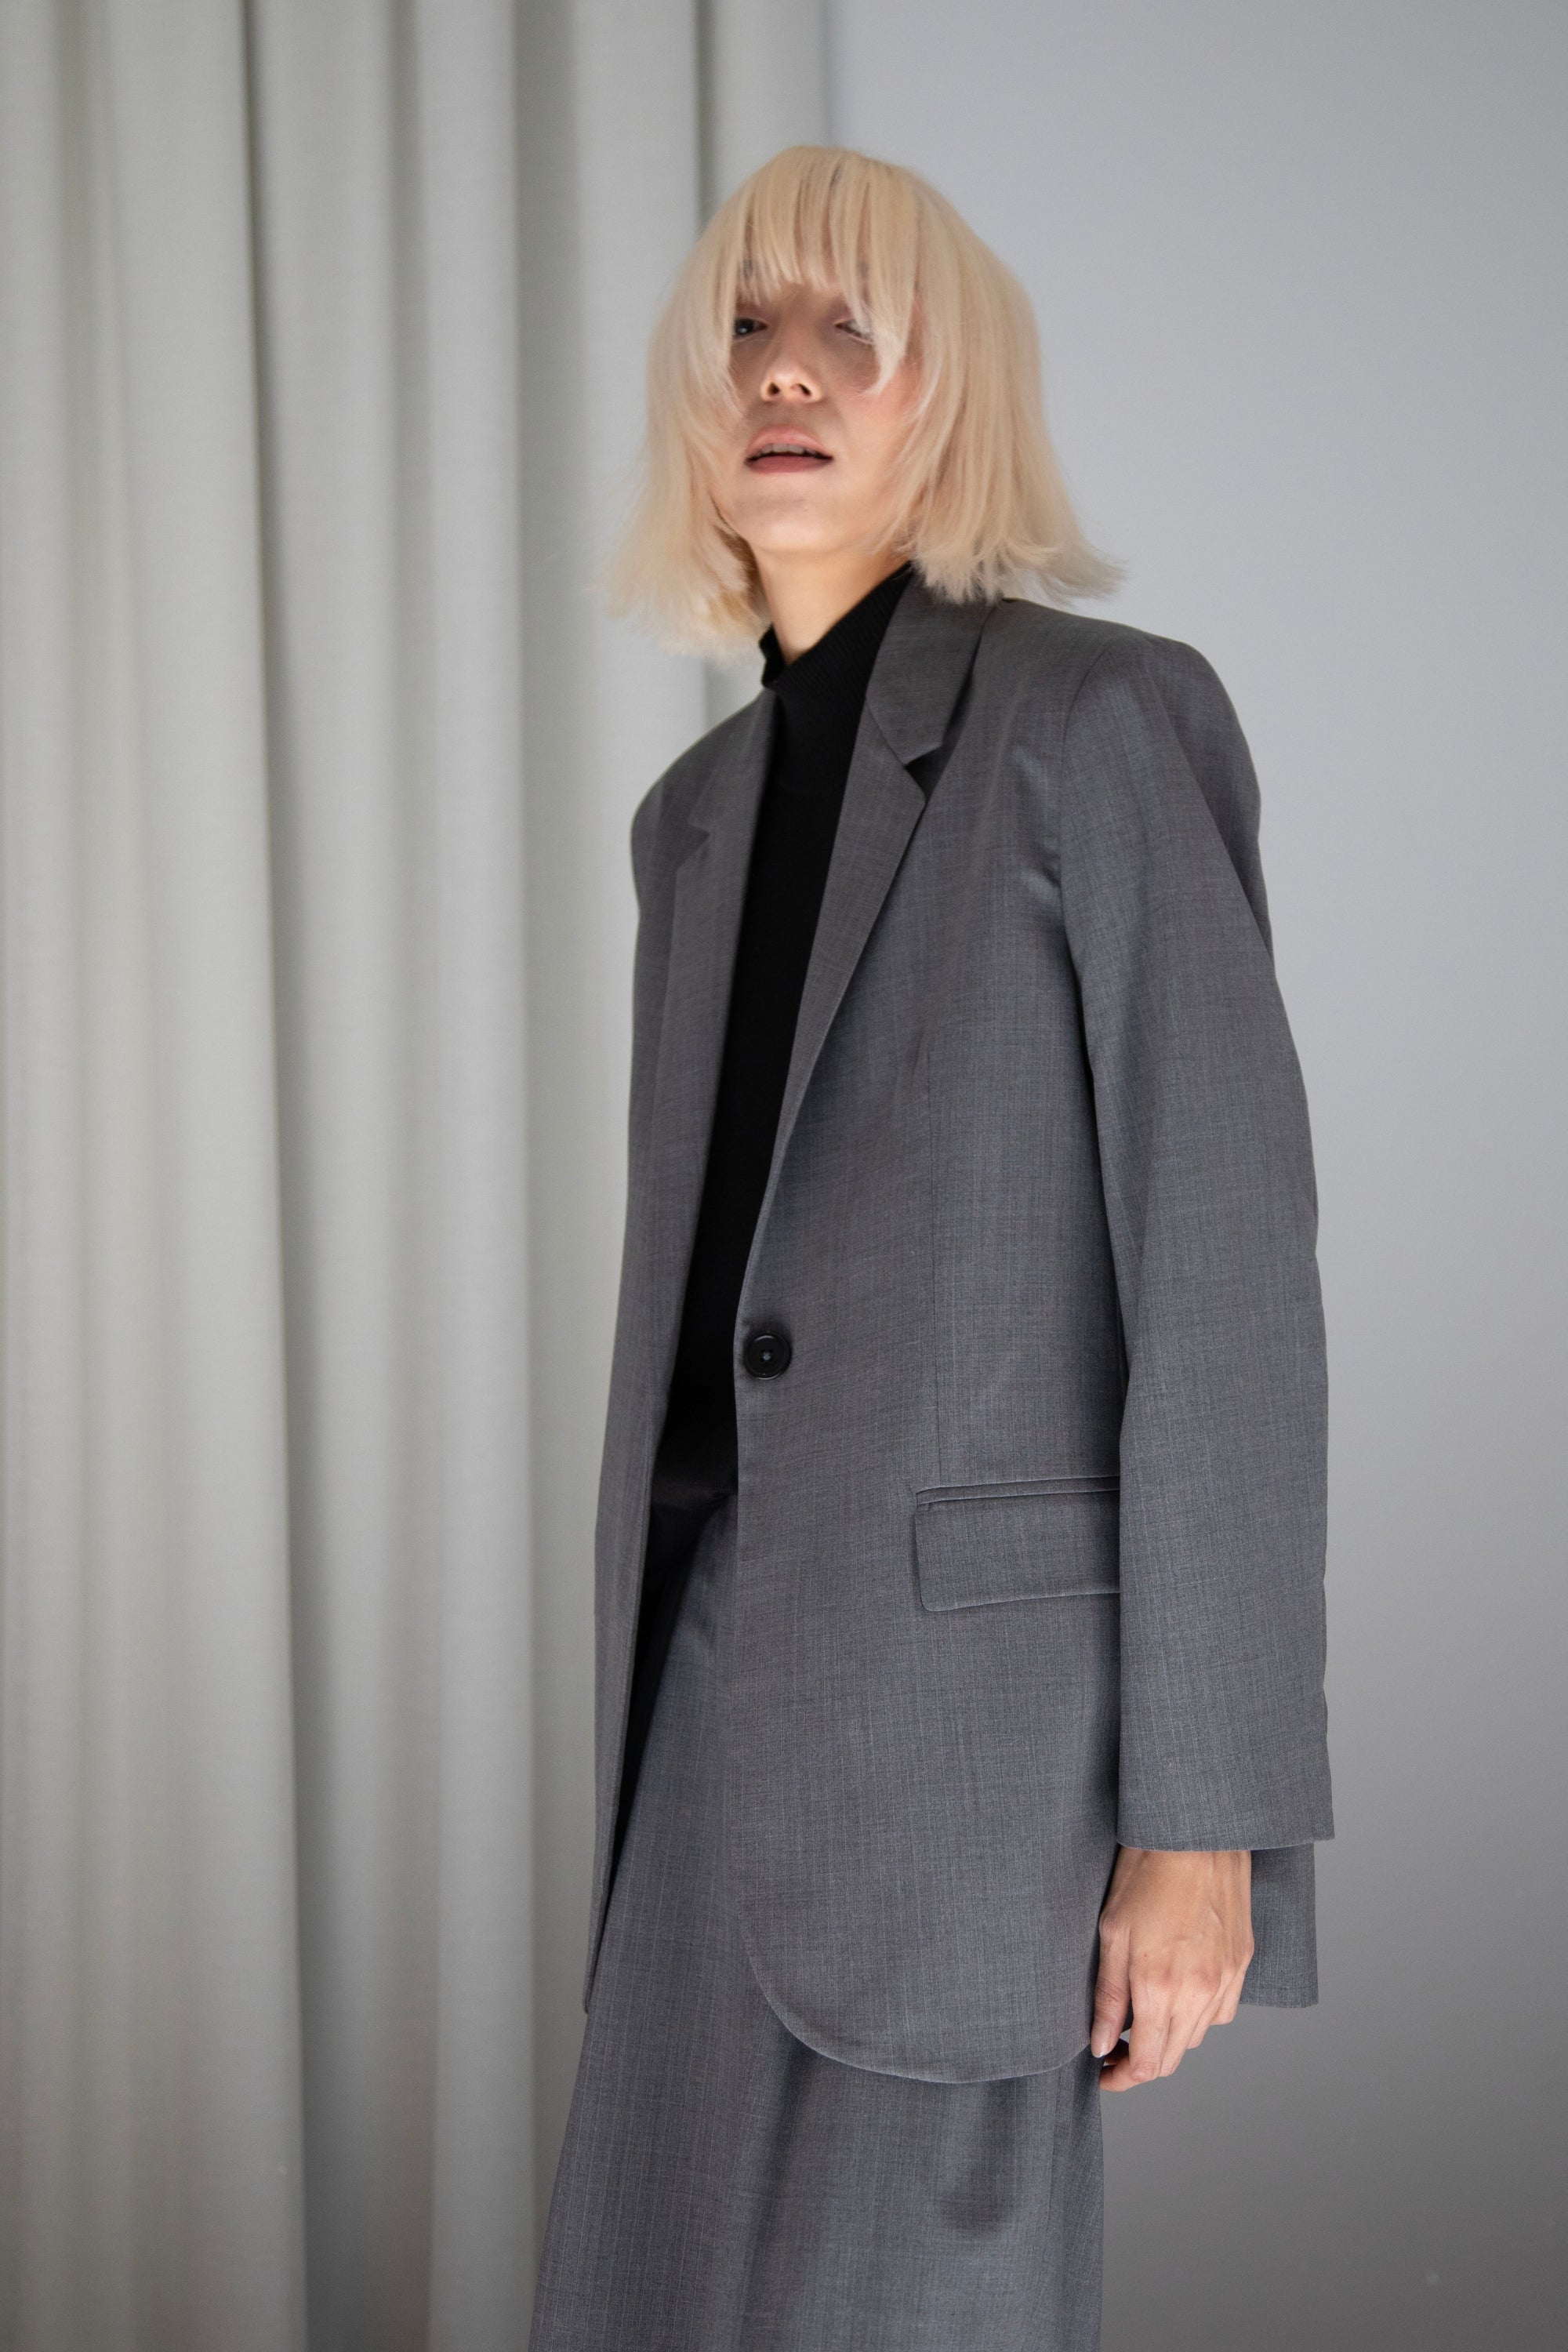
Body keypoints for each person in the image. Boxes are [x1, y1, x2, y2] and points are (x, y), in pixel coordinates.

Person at [529, 144, 1332, 2352]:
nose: (785, 375)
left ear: (948, 394)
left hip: (984, 1750)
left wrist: (1203, 1827)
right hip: (702, 1693)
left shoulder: (1099, 723)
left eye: (850, 332)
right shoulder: (690, 826)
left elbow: (1227, 1288)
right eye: (744, 331)